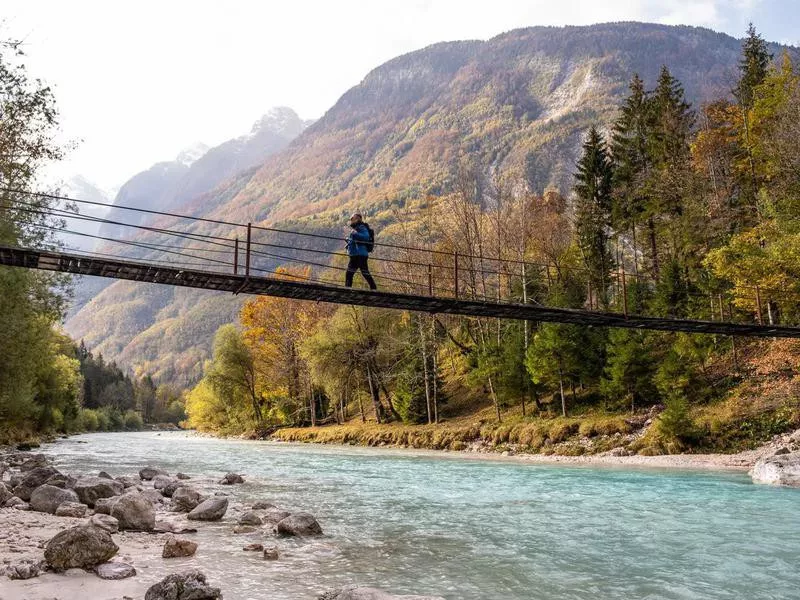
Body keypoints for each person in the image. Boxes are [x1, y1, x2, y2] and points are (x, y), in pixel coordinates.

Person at [344, 213, 377, 290]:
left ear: (358, 219)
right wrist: (348, 240)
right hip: (357, 254)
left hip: (359, 254)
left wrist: (355, 234)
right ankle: (373, 287)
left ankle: (347, 289)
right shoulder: (357, 228)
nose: (351, 220)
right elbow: (356, 240)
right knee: (359, 272)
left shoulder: (362, 227)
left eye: (352, 218)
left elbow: (366, 237)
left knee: (352, 273)